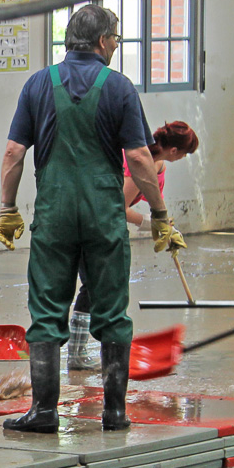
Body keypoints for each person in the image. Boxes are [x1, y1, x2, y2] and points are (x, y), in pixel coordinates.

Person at [0, 4, 185, 433]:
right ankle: (115, 414)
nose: (116, 46)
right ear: (102, 42)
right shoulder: (119, 88)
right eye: (115, 39)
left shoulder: (37, 84)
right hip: (104, 215)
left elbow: (12, 153)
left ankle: (44, 412)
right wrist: (159, 214)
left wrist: (7, 209)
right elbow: (138, 158)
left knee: (46, 313)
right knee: (112, 313)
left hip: (55, 215)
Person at [68, 121, 199, 370]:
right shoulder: (142, 162)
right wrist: (149, 223)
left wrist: (165, 227)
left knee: (95, 285)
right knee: (92, 285)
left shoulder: (157, 164)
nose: (184, 158)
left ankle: (81, 352)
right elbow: (118, 204)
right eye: (185, 153)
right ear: (173, 151)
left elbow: (152, 200)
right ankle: (76, 354)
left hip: (101, 220)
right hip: (87, 216)